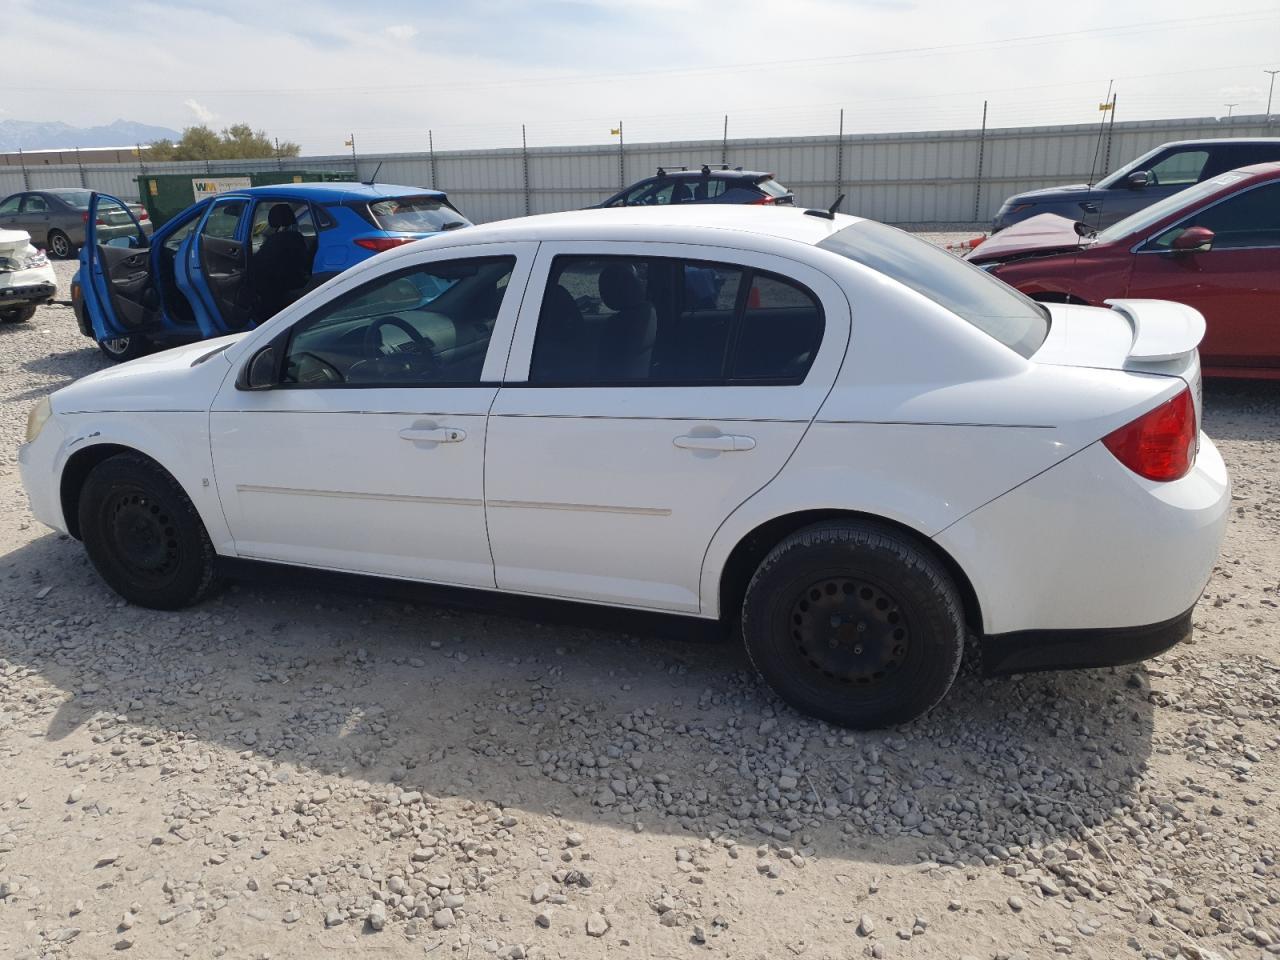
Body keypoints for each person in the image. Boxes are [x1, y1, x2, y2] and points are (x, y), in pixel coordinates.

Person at [250, 203, 311, 322]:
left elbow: (258, 266)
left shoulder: (274, 242)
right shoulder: (297, 238)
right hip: (296, 282)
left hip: (275, 291)